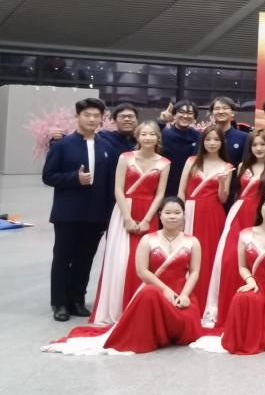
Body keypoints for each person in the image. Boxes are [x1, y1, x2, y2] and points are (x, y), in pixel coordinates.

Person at [43, 197, 202, 355]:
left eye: (177, 212)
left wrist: (185, 295)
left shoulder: (193, 242)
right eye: (168, 212)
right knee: (149, 292)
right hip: (156, 295)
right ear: (160, 215)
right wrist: (165, 290)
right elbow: (142, 271)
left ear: (184, 215)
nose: (172, 216)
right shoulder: (148, 240)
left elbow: (195, 271)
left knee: (187, 329)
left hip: (181, 297)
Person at [191, 189, 265, 355]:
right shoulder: (245, 234)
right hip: (255, 286)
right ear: (260, 207)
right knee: (243, 302)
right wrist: (250, 280)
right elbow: (242, 266)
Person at [90, 120, 170, 325]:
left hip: (149, 213)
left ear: (158, 138)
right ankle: (117, 307)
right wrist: (126, 217)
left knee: (145, 261)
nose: (148, 137)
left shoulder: (164, 163)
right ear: (137, 136)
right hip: (124, 210)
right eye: (144, 134)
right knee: (120, 259)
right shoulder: (125, 158)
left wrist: (147, 220)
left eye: (152, 134)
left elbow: (160, 194)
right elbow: (118, 189)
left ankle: (141, 310)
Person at [202, 129, 265, 328]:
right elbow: (233, 193)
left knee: (257, 260)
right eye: (255, 145)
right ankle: (228, 310)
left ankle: (255, 312)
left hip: (262, 216)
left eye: (263, 144)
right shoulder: (242, 167)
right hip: (239, 214)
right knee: (230, 260)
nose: (258, 148)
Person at [178, 125, 232, 315]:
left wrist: (223, 182)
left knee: (208, 255)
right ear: (202, 141)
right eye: (208, 139)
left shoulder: (227, 167)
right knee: (184, 254)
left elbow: (223, 198)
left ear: (222, 142)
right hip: (190, 210)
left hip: (212, 214)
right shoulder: (191, 161)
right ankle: (182, 297)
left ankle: (204, 302)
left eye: (216, 139)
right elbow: (181, 191)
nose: (212, 143)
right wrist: (180, 214)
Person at [160, 99, 201, 198]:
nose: (185, 116)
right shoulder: (164, 134)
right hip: (166, 185)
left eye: (190, 113)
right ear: (174, 115)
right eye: (181, 112)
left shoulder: (199, 136)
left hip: (190, 185)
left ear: (194, 117)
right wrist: (161, 121)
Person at [209, 96, 249, 166]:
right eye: (217, 109)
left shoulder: (244, 137)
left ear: (233, 113)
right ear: (212, 113)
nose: (221, 112)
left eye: (225, 108)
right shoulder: (204, 136)